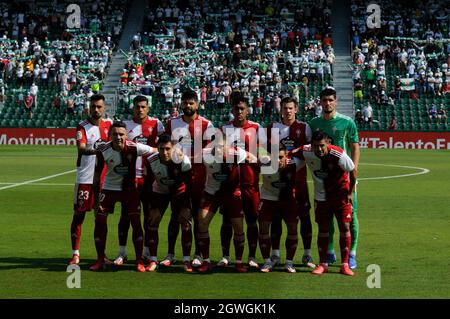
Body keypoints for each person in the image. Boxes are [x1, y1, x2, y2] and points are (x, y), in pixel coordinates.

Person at [89, 121, 157, 272]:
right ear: (109, 135)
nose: (118, 137)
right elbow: (97, 175)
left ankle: (139, 260)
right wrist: (95, 197)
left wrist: (175, 153)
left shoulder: (134, 147)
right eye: (115, 134)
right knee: (100, 221)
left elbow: (155, 150)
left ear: (126, 136)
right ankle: (100, 259)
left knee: (136, 223)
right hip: (108, 189)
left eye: (121, 134)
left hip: (129, 191)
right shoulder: (103, 150)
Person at [291, 130, 357, 276]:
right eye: (316, 146)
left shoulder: (338, 154)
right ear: (311, 145)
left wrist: (351, 192)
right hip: (321, 198)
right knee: (323, 229)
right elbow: (291, 154)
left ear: (328, 143)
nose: (319, 149)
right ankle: (323, 264)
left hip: (340, 196)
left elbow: (352, 170)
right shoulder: (306, 150)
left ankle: (344, 264)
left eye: (322, 145)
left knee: (344, 227)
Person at [309, 86, 360, 270]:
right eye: (324, 100)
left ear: (336, 101)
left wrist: (353, 171)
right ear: (320, 102)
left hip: (343, 178)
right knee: (326, 218)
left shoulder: (347, 122)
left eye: (331, 100)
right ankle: (329, 251)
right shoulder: (314, 123)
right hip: (323, 179)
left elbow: (354, 147)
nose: (328, 103)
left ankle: (352, 253)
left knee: (350, 217)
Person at [162, 90, 214, 268]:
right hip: (178, 176)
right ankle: (170, 253)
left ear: (197, 104)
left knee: (198, 217)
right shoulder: (172, 123)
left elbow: (213, 149)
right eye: (185, 102)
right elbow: (165, 148)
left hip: (200, 176)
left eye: (191, 103)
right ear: (181, 104)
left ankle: (198, 254)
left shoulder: (207, 124)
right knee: (176, 215)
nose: (188, 106)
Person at [114, 95, 164, 266]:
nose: (140, 109)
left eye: (143, 106)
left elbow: (164, 147)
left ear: (148, 108)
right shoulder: (125, 125)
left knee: (149, 217)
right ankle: (122, 253)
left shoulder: (157, 124)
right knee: (125, 216)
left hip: (149, 178)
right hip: (129, 178)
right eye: (137, 106)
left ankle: (146, 252)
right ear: (133, 108)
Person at [218, 94, 265, 269]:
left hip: (250, 183)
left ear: (248, 110)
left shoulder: (256, 128)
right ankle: (225, 256)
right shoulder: (224, 129)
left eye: (242, 109)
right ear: (232, 110)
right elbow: (218, 152)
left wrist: (254, 158)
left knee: (252, 220)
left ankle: (251, 257)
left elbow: (264, 153)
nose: (239, 112)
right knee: (227, 221)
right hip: (229, 184)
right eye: (236, 108)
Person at [267, 97, 314, 268]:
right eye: (285, 108)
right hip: (278, 181)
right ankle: (275, 254)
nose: (288, 111)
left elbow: (309, 150)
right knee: (276, 217)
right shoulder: (273, 127)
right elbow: (265, 149)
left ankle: (307, 254)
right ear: (281, 110)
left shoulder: (304, 127)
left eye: (291, 108)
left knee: (305, 216)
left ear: (296, 109)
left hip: (299, 180)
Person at [69, 94, 112, 265]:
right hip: (85, 178)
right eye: (93, 106)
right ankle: (75, 253)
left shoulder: (109, 125)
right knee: (79, 215)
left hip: (104, 180)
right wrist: (97, 149)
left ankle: (102, 256)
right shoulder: (82, 127)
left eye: (99, 107)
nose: (96, 110)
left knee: (101, 217)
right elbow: (81, 148)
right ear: (89, 107)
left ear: (104, 108)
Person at [196, 142, 249, 273]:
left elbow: (251, 156)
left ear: (228, 147)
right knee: (202, 222)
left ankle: (238, 262)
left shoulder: (238, 154)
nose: (219, 149)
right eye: (217, 147)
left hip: (231, 193)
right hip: (212, 192)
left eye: (222, 147)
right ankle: (206, 261)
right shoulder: (205, 155)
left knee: (238, 226)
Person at [144, 134, 193, 272]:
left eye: (167, 149)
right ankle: (153, 259)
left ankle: (186, 260)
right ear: (157, 149)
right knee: (153, 220)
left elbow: (189, 185)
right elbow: (148, 185)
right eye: (161, 149)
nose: (164, 152)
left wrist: (186, 207)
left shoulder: (183, 160)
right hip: (160, 191)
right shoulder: (151, 160)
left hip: (179, 192)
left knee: (185, 222)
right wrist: (151, 207)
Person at [258, 144, 302, 273]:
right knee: (264, 227)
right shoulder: (263, 164)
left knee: (293, 228)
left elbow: (310, 153)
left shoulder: (295, 163)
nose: (277, 161)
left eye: (280, 157)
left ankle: (289, 263)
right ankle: (267, 262)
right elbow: (252, 153)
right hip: (268, 199)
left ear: (286, 156)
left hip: (288, 201)